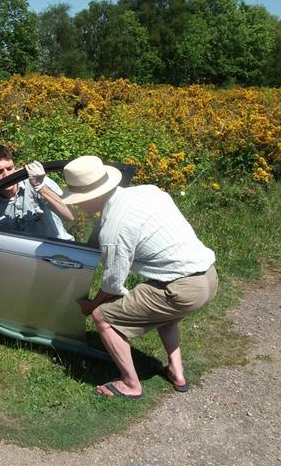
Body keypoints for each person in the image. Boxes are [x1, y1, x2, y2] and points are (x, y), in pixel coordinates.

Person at [61, 155, 218, 398]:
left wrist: (90, 305)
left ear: (95, 196)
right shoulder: (148, 191)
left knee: (102, 317)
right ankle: (177, 371)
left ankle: (130, 384)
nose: (77, 206)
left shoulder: (115, 227)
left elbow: (113, 285)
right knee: (161, 309)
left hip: (183, 289)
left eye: (79, 200)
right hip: (208, 277)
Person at [0, 144, 74, 240]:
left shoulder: (35, 179)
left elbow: (70, 216)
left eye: (9, 168)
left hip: (57, 250)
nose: (6, 175)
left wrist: (41, 187)